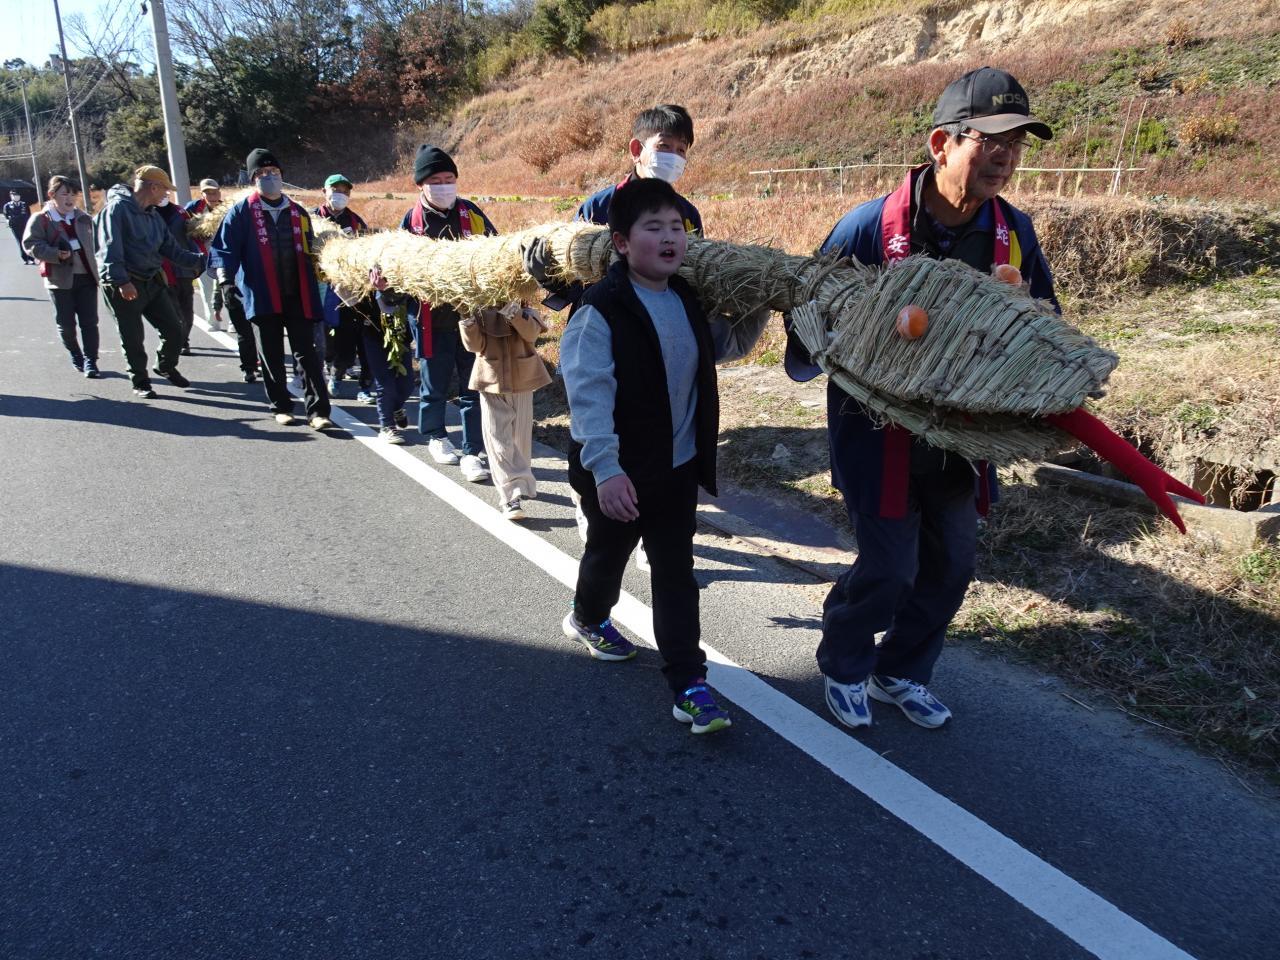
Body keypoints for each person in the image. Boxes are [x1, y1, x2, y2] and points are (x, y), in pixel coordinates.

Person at [787, 66, 1058, 732]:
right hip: (875, 430)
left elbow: (1046, 318)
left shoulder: (1014, 233)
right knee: (890, 567)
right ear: (942, 143)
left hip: (962, 434)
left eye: (1017, 143)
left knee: (952, 566)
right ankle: (845, 662)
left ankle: (901, 670)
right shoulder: (868, 227)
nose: (1006, 156)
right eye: (990, 140)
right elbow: (806, 313)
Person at [558, 177, 767, 734]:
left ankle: (689, 684)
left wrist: (760, 302)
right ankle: (587, 616)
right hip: (619, 471)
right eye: (654, 228)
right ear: (622, 242)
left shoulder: (685, 298)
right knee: (608, 554)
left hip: (676, 468)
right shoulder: (599, 311)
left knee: (675, 572)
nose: (670, 237)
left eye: (677, 227)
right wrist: (606, 471)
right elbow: (587, 396)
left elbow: (724, 345)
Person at [210, 148, 333, 429]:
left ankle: (318, 412)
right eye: (263, 173)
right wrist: (226, 281)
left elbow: (313, 249)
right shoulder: (241, 212)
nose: (270, 177)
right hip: (262, 293)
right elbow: (225, 249)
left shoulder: (298, 212)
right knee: (271, 353)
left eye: (274, 172)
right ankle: (281, 406)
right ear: (253, 179)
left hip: (298, 292)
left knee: (307, 353)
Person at [398, 144, 496, 482]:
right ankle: (436, 435)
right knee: (434, 382)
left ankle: (472, 452)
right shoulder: (410, 222)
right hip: (430, 320)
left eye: (449, 179)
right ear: (420, 185)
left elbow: (495, 248)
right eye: (435, 181)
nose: (444, 187)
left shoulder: (472, 213)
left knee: (473, 386)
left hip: (470, 319)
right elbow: (397, 270)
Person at [94, 165, 205, 399]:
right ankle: (140, 381)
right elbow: (108, 250)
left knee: (175, 328)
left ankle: (165, 366)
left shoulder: (153, 215)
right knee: (132, 337)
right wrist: (122, 282)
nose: (167, 194)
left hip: (152, 281)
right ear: (153, 187)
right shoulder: (116, 210)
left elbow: (171, 250)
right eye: (165, 189)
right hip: (124, 284)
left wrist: (202, 261)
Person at [459, 301, 552, 519]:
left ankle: (520, 484)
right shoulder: (479, 309)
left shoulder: (524, 306)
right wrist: (467, 318)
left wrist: (513, 311)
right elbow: (474, 346)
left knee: (520, 438)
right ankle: (510, 496)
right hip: (491, 380)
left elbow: (531, 334)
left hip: (523, 380)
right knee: (498, 439)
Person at [23, 175, 100, 376]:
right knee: (66, 325)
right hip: (59, 280)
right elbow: (30, 245)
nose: (70, 199)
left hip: (87, 278)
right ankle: (76, 354)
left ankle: (91, 361)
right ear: (52, 195)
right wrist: (55, 254)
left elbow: (99, 245)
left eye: (74, 194)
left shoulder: (84, 218)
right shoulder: (41, 219)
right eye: (65, 194)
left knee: (90, 322)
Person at [187, 179, 258, 381]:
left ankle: (258, 363)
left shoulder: (255, 232)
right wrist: (221, 297)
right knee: (244, 329)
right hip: (231, 282)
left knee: (258, 329)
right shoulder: (223, 228)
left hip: (256, 286)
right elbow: (223, 268)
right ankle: (248, 367)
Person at [313, 174, 372, 398]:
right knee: (323, 330)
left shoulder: (355, 221)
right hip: (319, 283)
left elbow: (365, 248)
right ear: (324, 192)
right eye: (335, 190)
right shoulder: (313, 218)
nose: (340, 195)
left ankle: (341, 369)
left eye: (345, 191)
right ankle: (327, 366)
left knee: (346, 331)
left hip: (346, 286)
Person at [156, 189, 202, 356]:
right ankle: (175, 341)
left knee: (186, 308)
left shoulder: (180, 212)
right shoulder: (147, 213)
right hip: (160, 270)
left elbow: (192, 237)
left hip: (183, 268)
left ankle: (183, 339)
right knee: (170, 310)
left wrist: (197, 262)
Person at [5, 189, 36, 264]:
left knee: (27, 240)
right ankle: (25, 258)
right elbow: (6, 215)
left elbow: (29, 214)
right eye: (14, 195)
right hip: (15, 226)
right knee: (20, 241)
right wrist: (8, 222)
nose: (16, 197)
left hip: (25, 225)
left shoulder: (24, 204)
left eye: (17, 195)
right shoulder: (8, 205)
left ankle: (31, 257)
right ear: (11, 196)